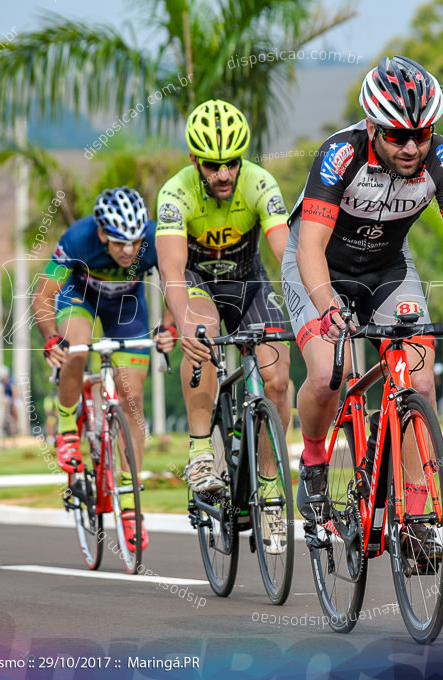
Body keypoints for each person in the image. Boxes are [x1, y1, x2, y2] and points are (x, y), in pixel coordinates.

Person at [281, 55, 443, 558]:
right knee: (325, 375)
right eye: (398, 135)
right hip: (318, 267)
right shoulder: (340, 154)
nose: (411, 147)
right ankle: (314, 462)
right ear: (372, 126)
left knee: (418, 379)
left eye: (421, 135)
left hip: (387, 269)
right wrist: (325, 306)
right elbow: (310, 245)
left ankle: (415, 516)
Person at [155, 99, 291, 554]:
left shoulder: (260, 183)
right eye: (213, 166)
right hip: (196, 284)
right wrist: (181, 321)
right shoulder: (175, 194)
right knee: (202, 334)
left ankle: (270, 490)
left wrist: (314, 305)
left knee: (278, 378)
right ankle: (199, 453)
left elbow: (285, 254)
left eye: (231, 163)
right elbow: (172, 272)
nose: (224, 175)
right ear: (196, 161)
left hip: (248, 281)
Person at [33, 186, 168, 554]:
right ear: (103, 233)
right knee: (76, 350)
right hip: (80, 298)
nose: (129, 251)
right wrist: (51, 339)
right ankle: (65, 427)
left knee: (132, 397)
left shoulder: (154, 240)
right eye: (120, 242)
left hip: (127, 308)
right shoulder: (78, 239)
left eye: (135, 242)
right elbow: (42, 296)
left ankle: (130, 502)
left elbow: (176, 284)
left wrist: (170, 325)